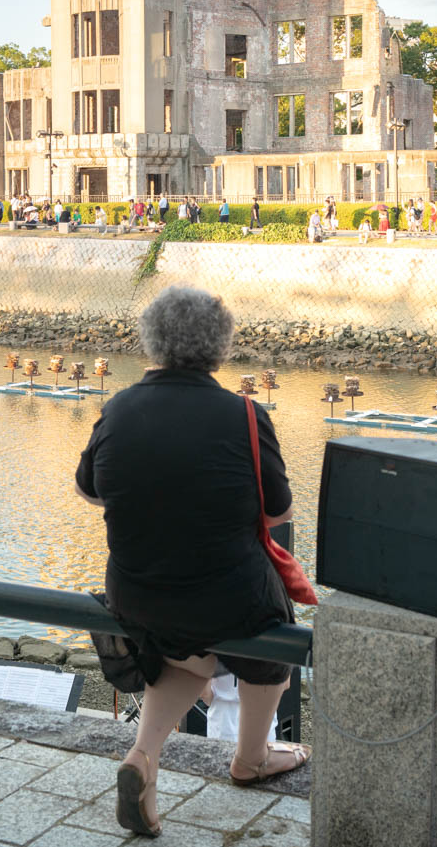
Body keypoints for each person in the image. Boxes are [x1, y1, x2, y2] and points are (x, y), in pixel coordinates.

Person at [76, 285, 310, 838]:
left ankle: (142, 754)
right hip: (228, 593)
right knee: (272, 640)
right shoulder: (246, 416)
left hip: (137, 589)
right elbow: (280, 511)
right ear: (219, 347)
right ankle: (251, 758)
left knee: (188, 656)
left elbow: (90, 491)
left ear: (153, 342)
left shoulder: (119, 407)